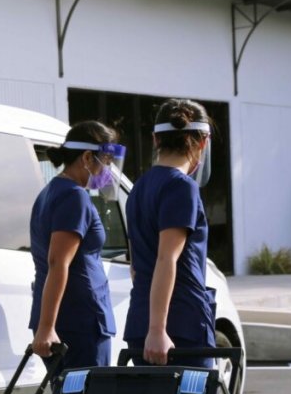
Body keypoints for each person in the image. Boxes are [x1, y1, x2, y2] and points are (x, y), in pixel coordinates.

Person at [124, 98, 216, 367]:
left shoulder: (139, 188)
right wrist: (157, 329)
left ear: (155, 140)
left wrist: (151, 327)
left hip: (142, 321)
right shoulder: (182, 187)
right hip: (178, 326)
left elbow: (135, 266)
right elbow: (166, 258)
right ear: (203, 142)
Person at [29, 121, 125, 370]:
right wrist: (47, 327)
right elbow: (57, 262)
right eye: (106, 161)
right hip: (80, 323)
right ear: (87, 157)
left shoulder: (50, 192)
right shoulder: (75, 196)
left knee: (70, 393)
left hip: (67, 321)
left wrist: (46, 325)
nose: (108, 170)